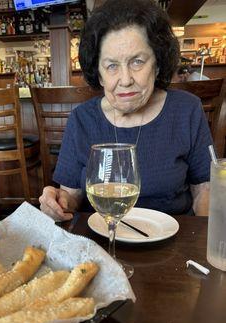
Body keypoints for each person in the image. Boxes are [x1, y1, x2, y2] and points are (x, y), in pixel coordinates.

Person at [39, 0, 212, 221]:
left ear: (157, 64)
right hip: (101, 240)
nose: (126, 80)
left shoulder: (187, 110)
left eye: (137, 62)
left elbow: (204, 189)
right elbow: (71, 195)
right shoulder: (82, 119)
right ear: (99, 73)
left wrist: (204, 237)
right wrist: (57, 201)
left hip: (173, 242)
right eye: (111, 65)